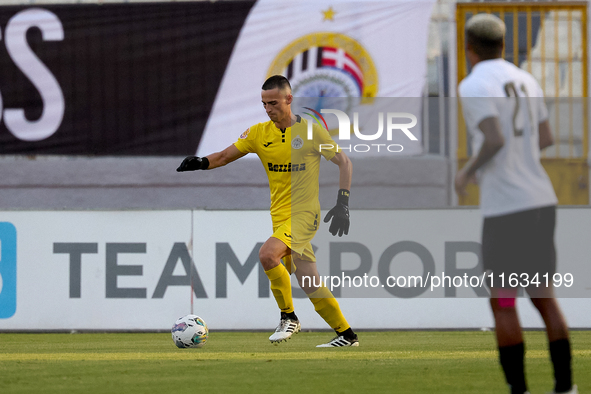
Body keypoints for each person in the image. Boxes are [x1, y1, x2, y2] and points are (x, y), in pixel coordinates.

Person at [177, 75, 359, 347]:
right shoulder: (258, 133)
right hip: (280, 217)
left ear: (289, 99)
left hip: (305, 214)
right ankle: (347, 335)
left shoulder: (311, 131)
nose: (268, 108)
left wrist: (343, 203)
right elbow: (225, 156)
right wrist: (202, 162)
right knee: (310, 282)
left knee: (267, 254)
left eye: (273, 102)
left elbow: (344, 162)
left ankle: (289, 317)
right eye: (264, 104)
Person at [455, 13, 576, 394]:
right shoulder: (526, 79)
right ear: (504, 45)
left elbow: (493, 139)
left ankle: (520, 390)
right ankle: (565, 388)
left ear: (468, 47)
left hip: (507, 209)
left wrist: (468, 172)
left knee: (504, 302)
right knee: (544, 297)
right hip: (541, 201)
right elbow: (545, 138)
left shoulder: (474, 84)